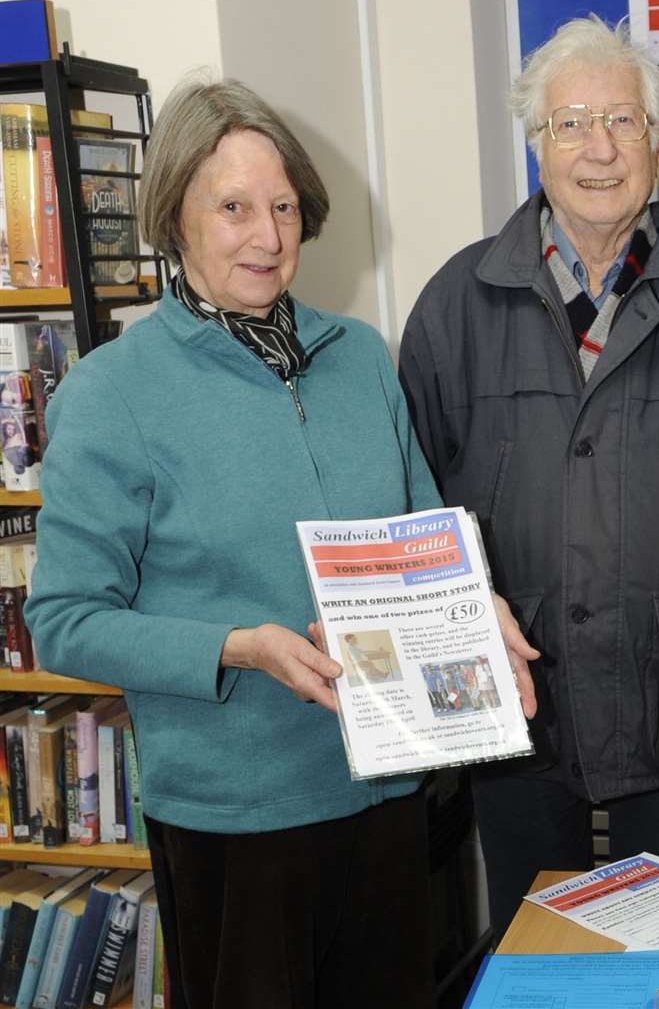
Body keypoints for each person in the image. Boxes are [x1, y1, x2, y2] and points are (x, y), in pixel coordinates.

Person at [23, 79, 536, 1009]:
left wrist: (476, 607)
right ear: (174, 215)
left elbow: (423, 538)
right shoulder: (114, 391)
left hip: (387, 794)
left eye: (285, 207)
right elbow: (64, 621)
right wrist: (238, 647)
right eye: (234, 208)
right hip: (239, 815)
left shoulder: (357, 358)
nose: (268, 235)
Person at [399, 15, 659, 937]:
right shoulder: (456, 304)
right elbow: (410, 505)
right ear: (537, 144)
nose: (599, 148)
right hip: (512, 706)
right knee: (534, 951)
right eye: (572, 122)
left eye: (623, 122)